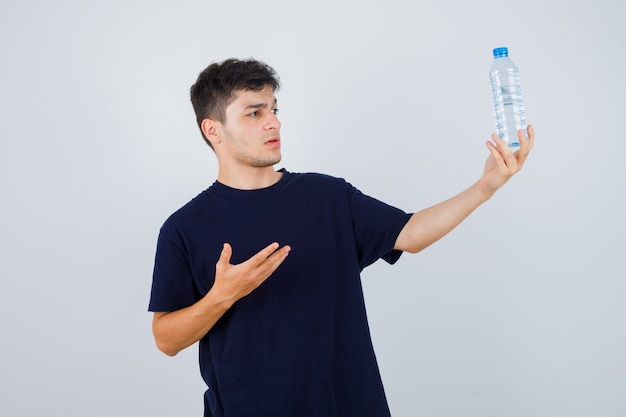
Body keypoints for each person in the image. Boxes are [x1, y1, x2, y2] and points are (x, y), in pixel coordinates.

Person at [148, 58, 534, 417]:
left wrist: (485, 187)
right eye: (254, 112)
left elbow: (410, 234)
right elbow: (166, 340)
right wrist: (222, 296)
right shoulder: (184, 228)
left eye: (274, 109)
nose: (274, 123)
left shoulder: (327, 196)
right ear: (212, 129)